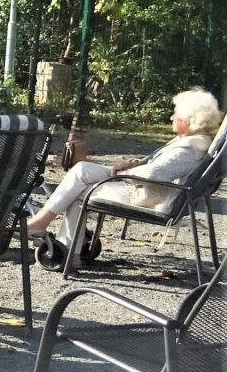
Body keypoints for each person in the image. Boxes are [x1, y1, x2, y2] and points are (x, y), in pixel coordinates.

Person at [26, 88, 221, 260]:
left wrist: (125, 172)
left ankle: (63, 247)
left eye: (175, 114)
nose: (171, 118)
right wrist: (132, 165)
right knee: (81, 170)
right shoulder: (193, 142)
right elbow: (158, 167)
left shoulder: (188, 149)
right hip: (147, 189)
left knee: (79, 190)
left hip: (147, 196)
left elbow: (154, 173)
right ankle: (52, 233)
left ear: (190, 119)